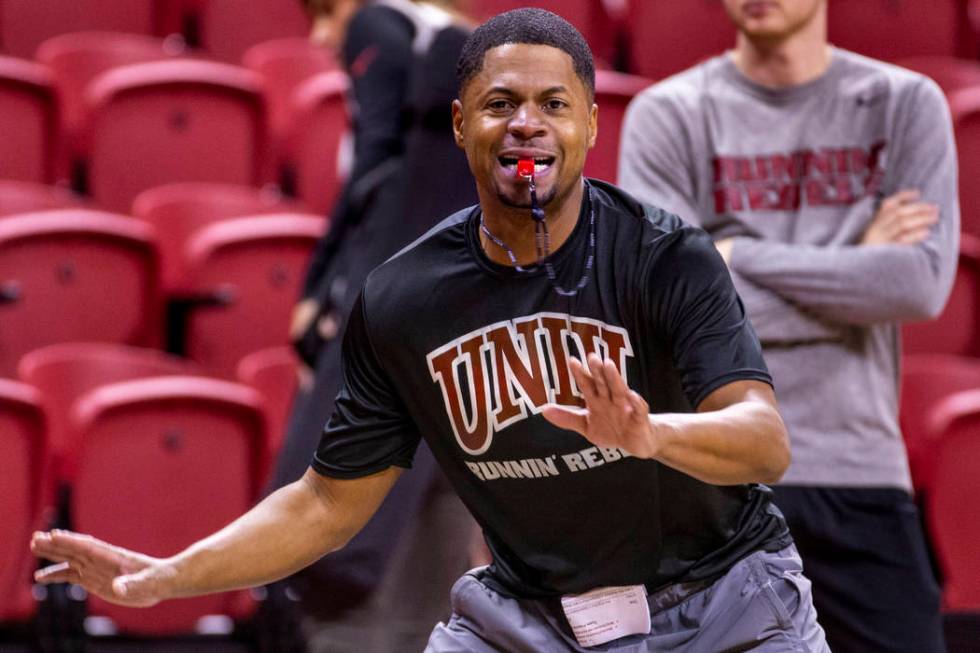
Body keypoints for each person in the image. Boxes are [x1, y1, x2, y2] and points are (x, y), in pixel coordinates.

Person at [32, 9, 829, 652]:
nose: (526, 124)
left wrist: (650, 433)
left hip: (725, 602)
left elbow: (763, 439)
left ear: (590, 122)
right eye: (499, 104)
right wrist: (170, 575)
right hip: (539, 615)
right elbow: (323, 504)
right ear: (458, 125)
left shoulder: (665, 256)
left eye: (553, 105)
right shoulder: (406, 296)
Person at [617, 1, 958, 651]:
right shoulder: (669, 114)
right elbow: (660, 305)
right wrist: (857, 261)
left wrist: (732, 257)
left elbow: (916, 284)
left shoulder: (904, 103)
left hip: (858, 470)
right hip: (712, 475)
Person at [276, 1, 479, 650]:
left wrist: (319, 290)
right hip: (458, 323)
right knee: (434, 546)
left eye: (323, 11)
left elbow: (376, 167)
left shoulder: (377, 23)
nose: (320, 35)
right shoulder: (462, 45)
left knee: (343, 542)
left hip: (389, 312)